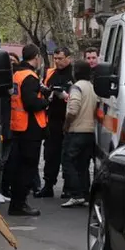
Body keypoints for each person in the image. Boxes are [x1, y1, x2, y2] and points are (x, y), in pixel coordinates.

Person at [8, 44, 50, 216]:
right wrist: (47, 101)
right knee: (28, 167)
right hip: (30, 129)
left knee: (20, 166)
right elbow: (31, 103)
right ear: (36, 57)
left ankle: (17, 203)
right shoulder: (30, 77)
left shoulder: (17, 73)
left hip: (18, 126)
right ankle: (19, 204)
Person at [36, 47, 74, 198]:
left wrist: (64, 94)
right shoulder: (50, 72)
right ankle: (48, 185)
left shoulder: (73, 74)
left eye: (60, 58)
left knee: (67, 155)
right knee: (50, 154)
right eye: (55, 58)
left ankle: (68, 187)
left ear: (68, 58)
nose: (57, 61)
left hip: (68, 121)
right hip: (52, 119)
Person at [61, 60, 98, 208]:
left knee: (68, 162)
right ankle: (85, 194)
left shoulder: (76, 87)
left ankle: (76, 194)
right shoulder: (92, 87)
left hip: (76, 131)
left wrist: (67, 124)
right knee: (83, 165)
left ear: (75, 72)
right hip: (90, 131)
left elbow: (73, 109)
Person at [0, 52, 20, 204]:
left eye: (14, 61)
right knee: (1, 160)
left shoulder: (14, 79)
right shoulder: (2, 82)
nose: (12, 64)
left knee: (6, 160)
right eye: (9, 61)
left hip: (10, 125)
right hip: (3, 125)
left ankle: (3, 189)